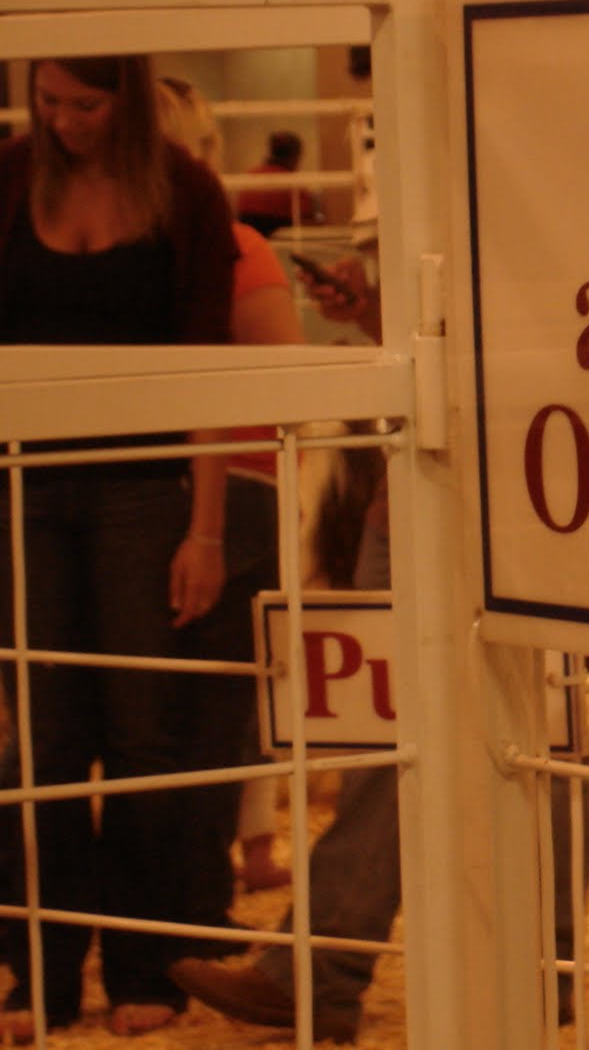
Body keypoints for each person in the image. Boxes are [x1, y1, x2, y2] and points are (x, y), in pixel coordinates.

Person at [169, 259, 585, 1042]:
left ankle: (349, 975)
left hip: (514, 497)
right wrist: (374, 315)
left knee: (523, 743)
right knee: (415, 746)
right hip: (426, 499)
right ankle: (526, 976)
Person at [0, 56, 237, 1040]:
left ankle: (145, 966)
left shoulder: (186, 189)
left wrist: (206, 525)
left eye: (85, 105)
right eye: (48, 102)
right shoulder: (11, 176)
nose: (63, 122)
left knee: (145, 735)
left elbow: (207, 362)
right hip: (21, 483)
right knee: (45, 743)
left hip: (145, 485)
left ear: (128, 101)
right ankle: (39, 974)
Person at [156, 75, 303, 948]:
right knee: (206, 714)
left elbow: (280, 374)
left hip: (219, 491)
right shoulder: (234, 244)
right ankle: (188, 908)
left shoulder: (231, 244)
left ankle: (184, 910)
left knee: (194, 718)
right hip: (228, 488)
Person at [235, 130, 320, 238]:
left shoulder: (251, 176)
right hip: (282, 244)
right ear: (295, 156)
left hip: (248, 239)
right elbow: (308, 222)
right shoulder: (293, 185)